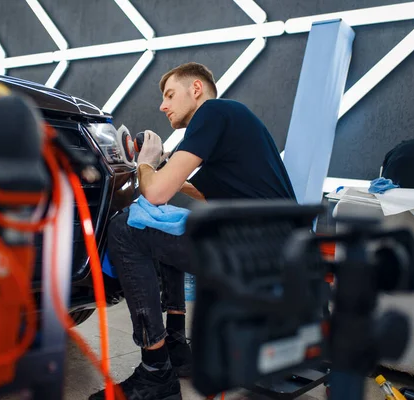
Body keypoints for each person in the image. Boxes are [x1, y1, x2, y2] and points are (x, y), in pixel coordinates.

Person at [89, 62, 296, 400]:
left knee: (125, 227)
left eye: (170, 95)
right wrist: (166, 167)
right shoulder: (234, 119)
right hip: (281, 245)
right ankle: (174, 345)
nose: (162, 105)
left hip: (253, 247)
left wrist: (146, 162)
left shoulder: (211, 112)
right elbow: (200, 190)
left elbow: (154, 193)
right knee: (167, 220)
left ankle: (155, 373)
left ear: (196, 89)